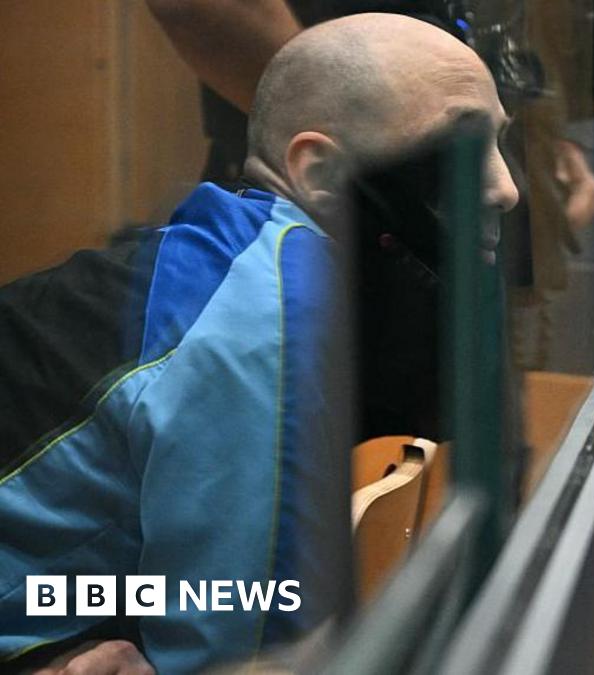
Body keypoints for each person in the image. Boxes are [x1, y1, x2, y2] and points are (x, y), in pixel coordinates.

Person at [0, 14, 517, 673]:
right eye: (458, 149)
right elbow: (239, 654)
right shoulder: (267, 323)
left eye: (501, 144)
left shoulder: (251, 254)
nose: (507, 188)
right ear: (317, 168)